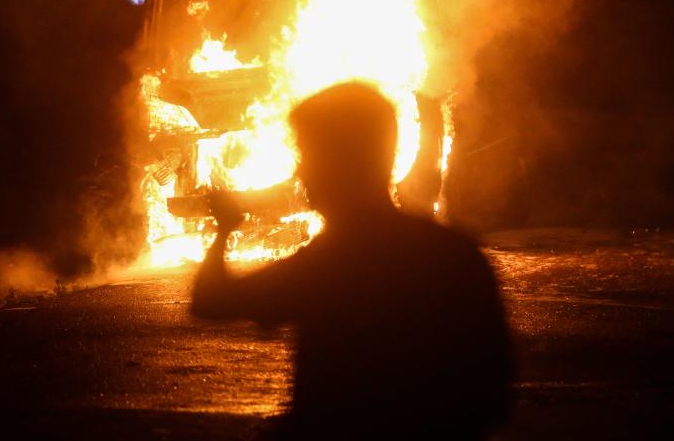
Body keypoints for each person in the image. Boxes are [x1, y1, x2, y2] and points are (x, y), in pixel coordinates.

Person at [191, 82, 513, 439]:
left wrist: (223, 229)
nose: (301, 173)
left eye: (308, 155)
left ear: (340, 163)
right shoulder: (455, 252)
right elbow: (495, 394)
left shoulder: (330, 265)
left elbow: (211, 301)